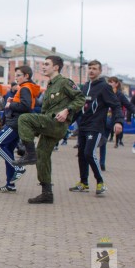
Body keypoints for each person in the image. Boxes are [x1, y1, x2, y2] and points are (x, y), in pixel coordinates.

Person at [13, 56, 85, 203]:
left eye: (46, 64)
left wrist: (67, 111)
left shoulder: (64, 83)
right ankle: (47, 193)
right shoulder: (50, 85)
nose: (43, 67)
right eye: (43, 64)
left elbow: (81, 99)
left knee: (24, 118)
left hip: (56, 124)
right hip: (49, 124)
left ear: (56, 67)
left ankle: (29, 154)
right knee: (42, 157)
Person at [68, 61, 124, 195]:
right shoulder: (85, 86)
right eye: (90, 68)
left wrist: (119, 122)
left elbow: (116, 105)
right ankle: (83, 183)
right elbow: (79, 108)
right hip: (83, 126)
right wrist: (67, 121)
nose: (91, 71)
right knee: (81, 154)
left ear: (100, 71)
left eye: (94, 69)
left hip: (96, 126)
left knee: (89, 153)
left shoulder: (104, 87)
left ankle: (100, 182)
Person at [0, 66, 39, 193]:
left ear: (26, 76)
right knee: (8, 151)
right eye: (16, 75)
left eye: (18, 75)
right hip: (18, 123)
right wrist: (13, 101)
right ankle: (10, 184)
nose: (16, 78)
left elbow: (26, 106)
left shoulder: (25, 88)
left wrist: (10, 104)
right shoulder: (28, 88)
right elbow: (30, 104)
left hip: (15, 123)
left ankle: (18, 168)